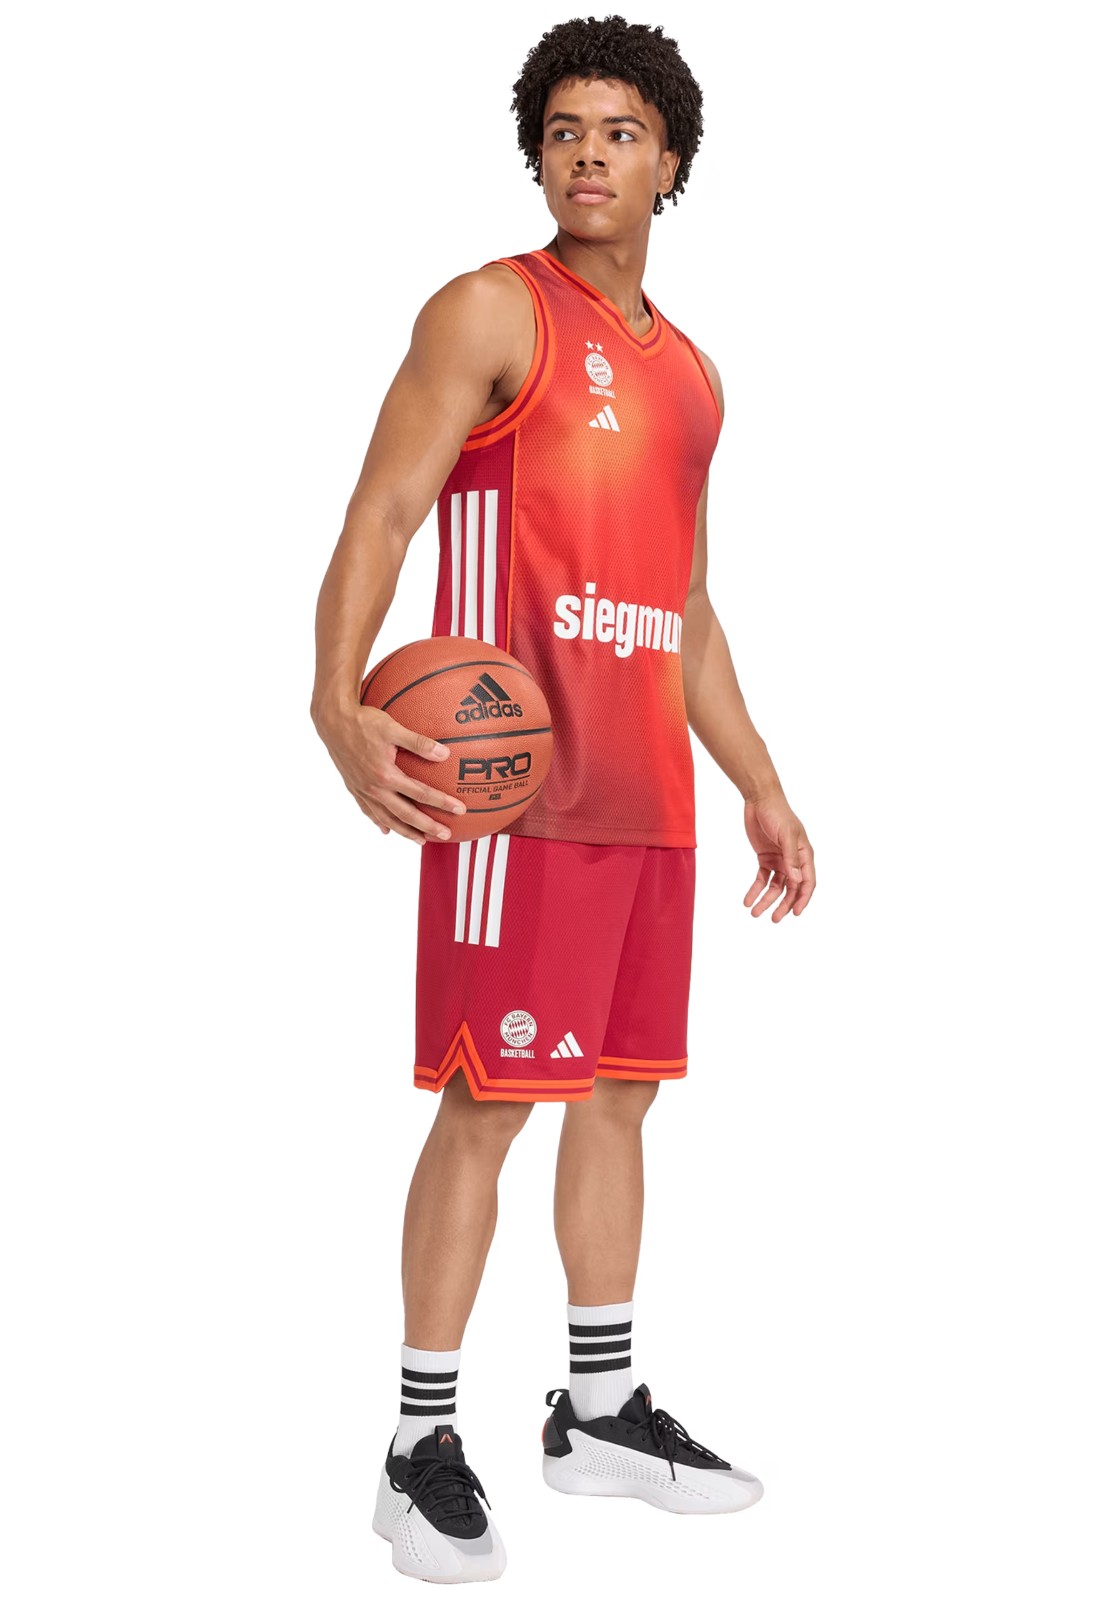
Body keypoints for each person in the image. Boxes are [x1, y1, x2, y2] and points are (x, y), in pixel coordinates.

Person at [310, 14, 816, 1585]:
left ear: (673, 163)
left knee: (621, 1096)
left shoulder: (697, 378)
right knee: (489, 1102)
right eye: (565, 131)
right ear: (537, 155)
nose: (588, 155)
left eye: (621, 132)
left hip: (647, 797)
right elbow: (384, 511)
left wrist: (761, 784)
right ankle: (417, 1444)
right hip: (513, 796)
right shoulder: (489, 310)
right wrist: (334, 702)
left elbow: (691, 610)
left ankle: (598, 1413)